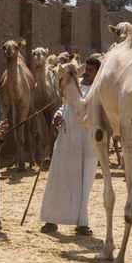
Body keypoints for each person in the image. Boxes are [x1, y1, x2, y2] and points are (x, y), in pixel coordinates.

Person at [39, 57, 101, 235]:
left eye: (91, 70)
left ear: (97, 72)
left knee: (83, 184)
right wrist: (58, 115)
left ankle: (81, 223)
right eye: (86, 68)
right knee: (57, 178)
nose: (87, 72)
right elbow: (64, 106)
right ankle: (51, 220)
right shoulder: (74, 84)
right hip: (66, 139)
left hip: (87, 145)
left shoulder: (98, 90)